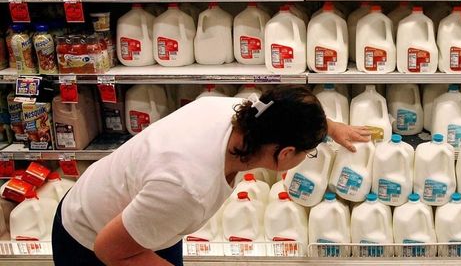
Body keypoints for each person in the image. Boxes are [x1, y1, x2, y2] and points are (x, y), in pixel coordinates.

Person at [51, 85, 370, 265]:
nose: (308, 157)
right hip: (88, 241)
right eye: (309, 151)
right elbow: (110, 250)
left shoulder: (242, 114)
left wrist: (331, 127)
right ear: (285, 154)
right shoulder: (189, 188)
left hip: (138, 215)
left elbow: (283, 110)